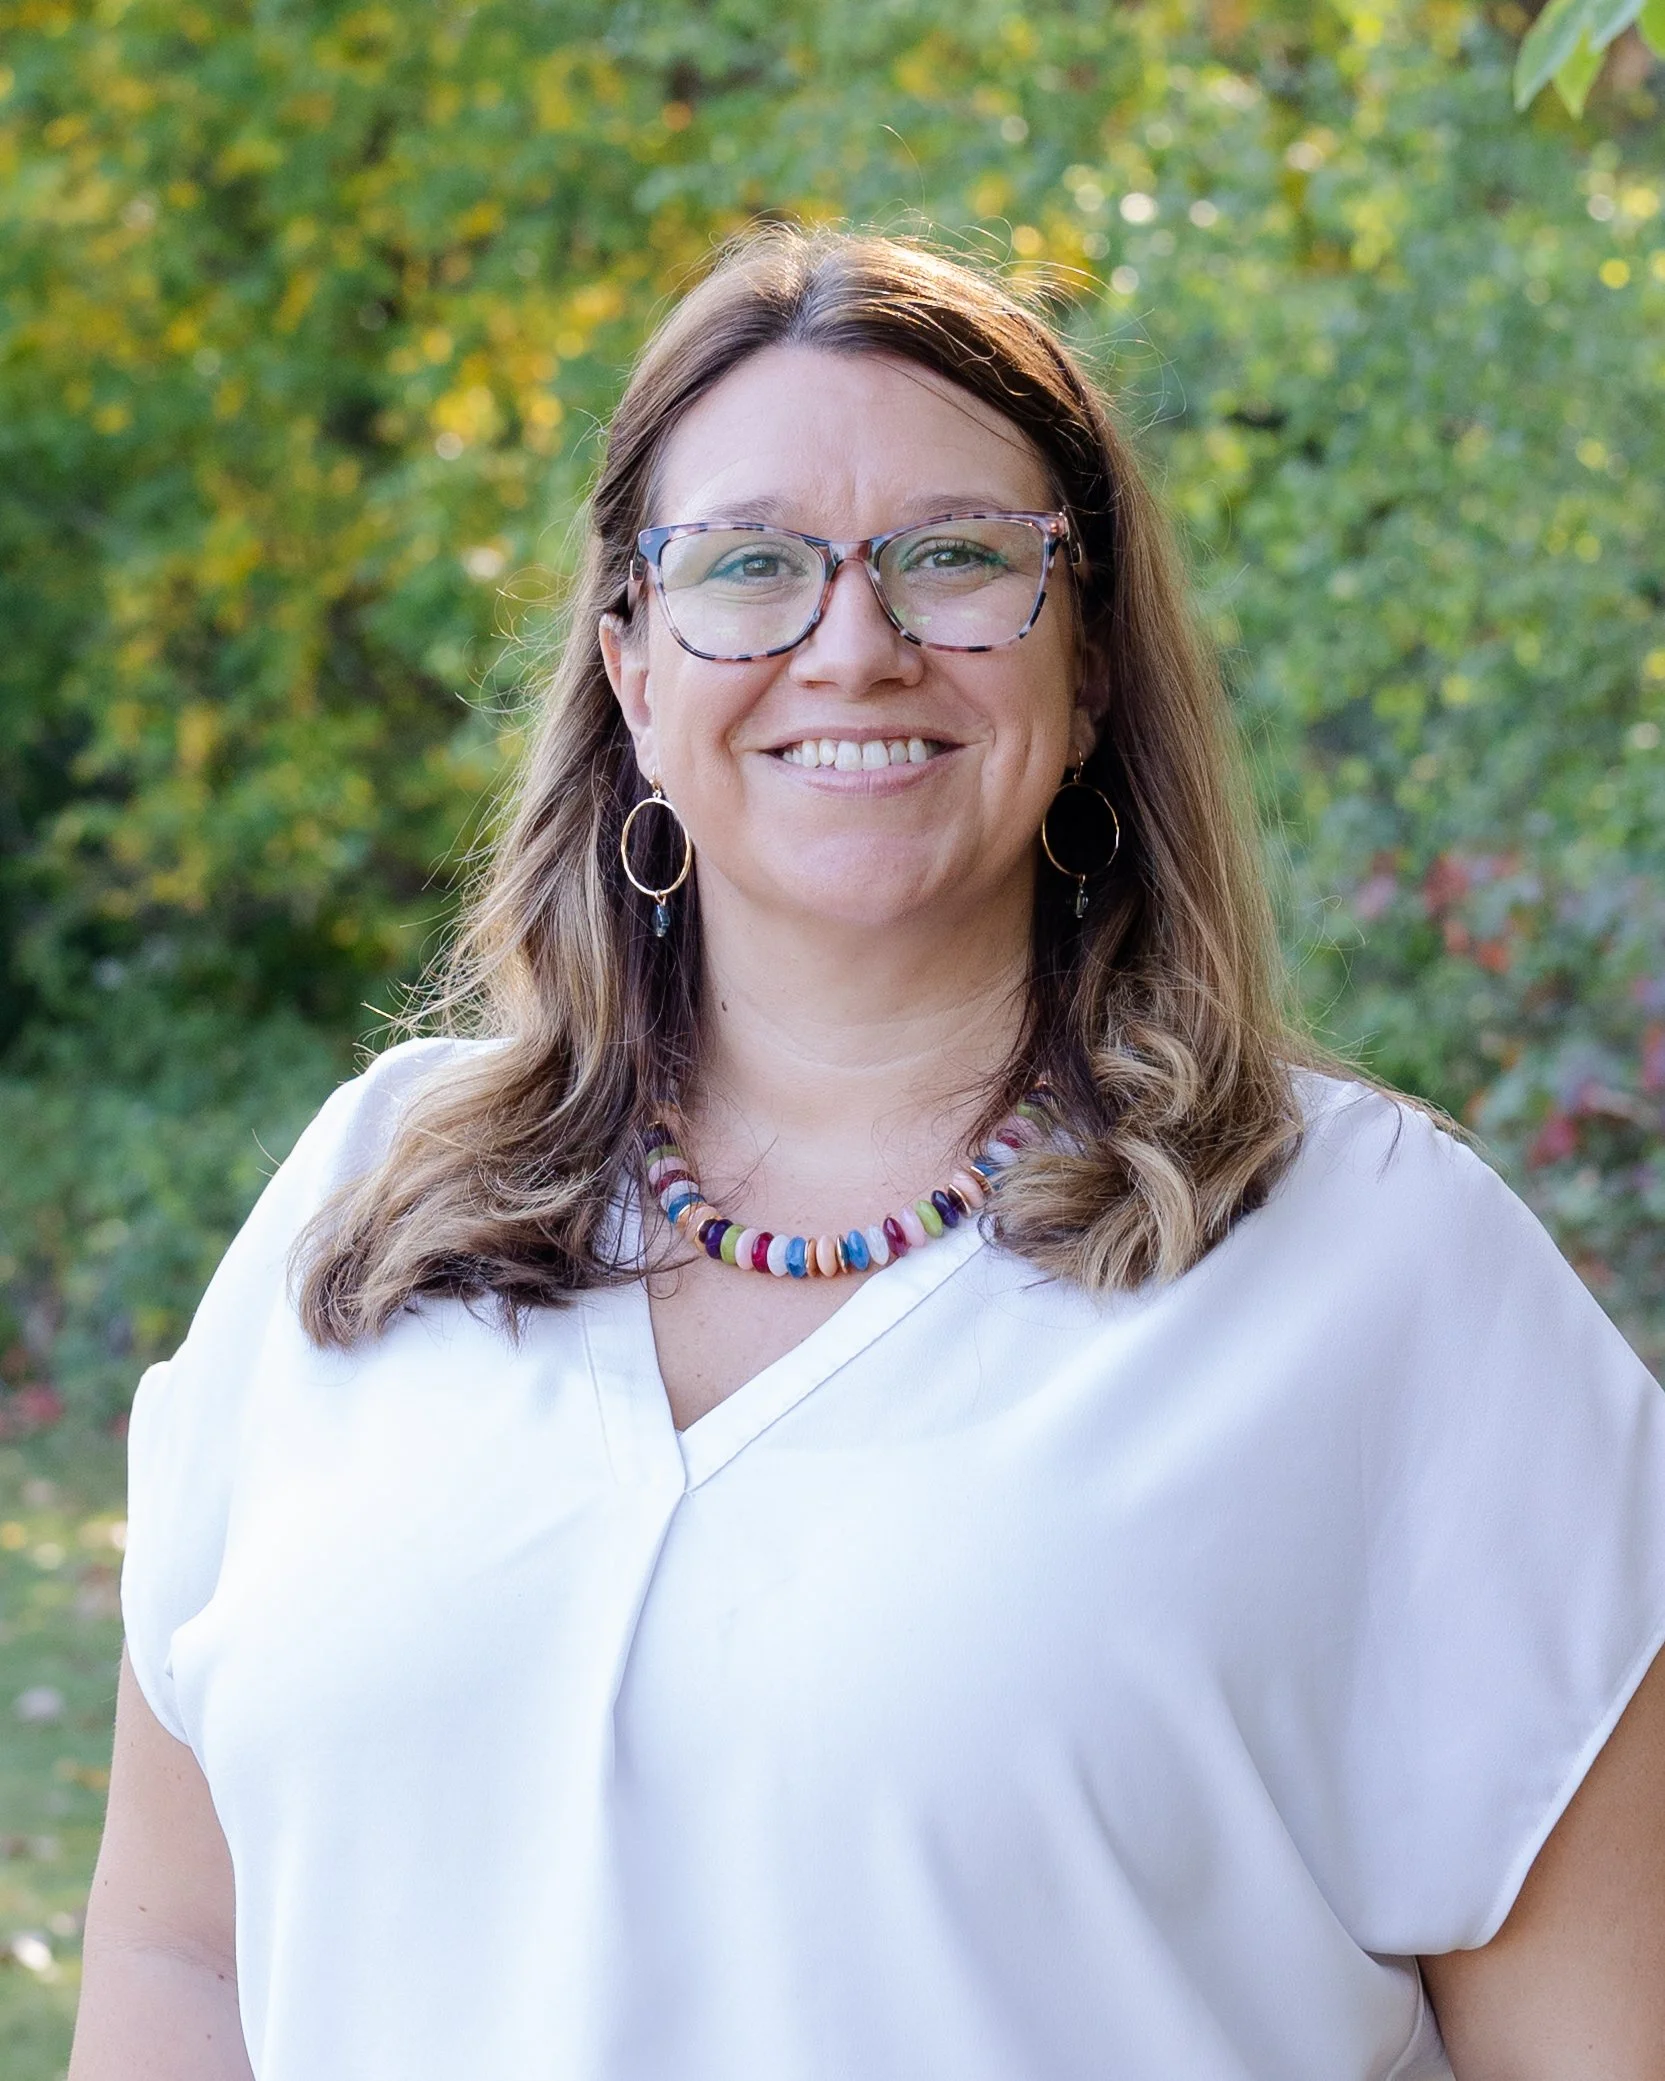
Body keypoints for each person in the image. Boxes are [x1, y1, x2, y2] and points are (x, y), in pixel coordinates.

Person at [71, 228, 1665, 2081]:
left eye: (957, 559)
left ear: (1088, 674)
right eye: (748, 566)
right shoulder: (368, 1199)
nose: (856, 642)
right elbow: (183, 1950)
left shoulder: (1377, 1260)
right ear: (634, 675)